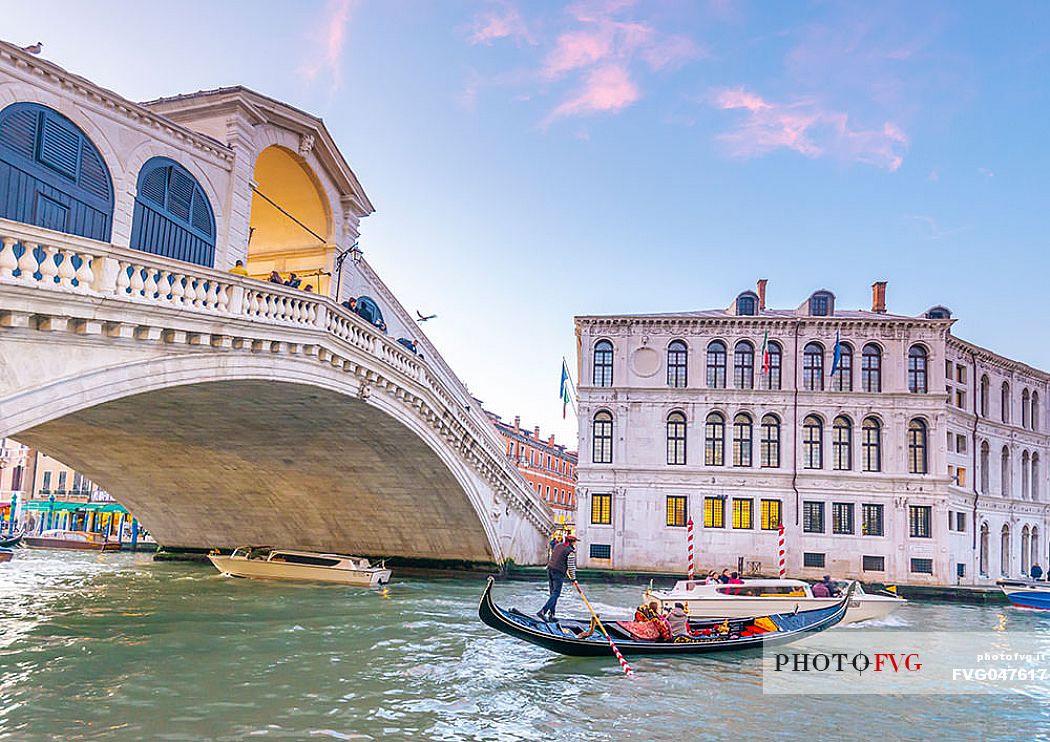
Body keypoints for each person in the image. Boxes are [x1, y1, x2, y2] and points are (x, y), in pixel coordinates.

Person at [538, 533, 576, 621]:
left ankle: (552, 614)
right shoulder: (570, 552)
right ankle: (543, 611)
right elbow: (571, 567)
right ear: (572, 542)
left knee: (553, 593)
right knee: (556, 593)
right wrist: (573, 579)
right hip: (558, 572)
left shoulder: (558, 546)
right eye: (575, 542)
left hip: (550, 569)